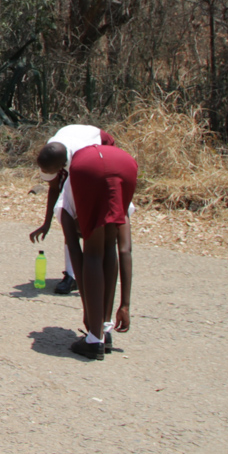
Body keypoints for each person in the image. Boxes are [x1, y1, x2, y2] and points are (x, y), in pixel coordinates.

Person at [62, 137, 138, 360]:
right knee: (108, 246)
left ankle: (94, 339)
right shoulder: (120, 194)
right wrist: (125, 306)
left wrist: (88, 313)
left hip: (88, 169)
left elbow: (76, 252)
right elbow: (125, 250)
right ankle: (105, 329)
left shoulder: (67, 194)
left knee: (93, 252)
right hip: (126, 165)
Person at [31, 123, 108, 302]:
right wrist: (47, 223)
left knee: (88, 220)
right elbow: (54, 190)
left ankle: (96, 270)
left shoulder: (81, 159)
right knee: (70, 220)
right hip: (72, 143)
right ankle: (71, 276)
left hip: (98, 147)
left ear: (62, 166)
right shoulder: (50, 156)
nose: (46, 174)